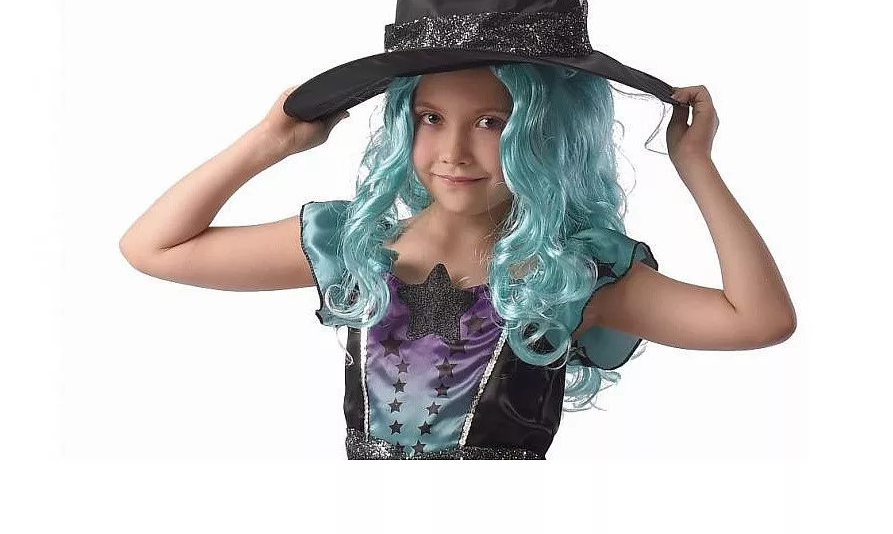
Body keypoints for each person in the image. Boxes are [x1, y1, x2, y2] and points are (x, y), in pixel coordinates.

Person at [118, 65, 796, 459]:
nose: (453, 152)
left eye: (492, 123)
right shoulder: (355, 247)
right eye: (431, 118)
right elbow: (153, 247)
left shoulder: (571, 279)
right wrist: (270, 141)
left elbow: (759, 320)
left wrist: (696, 165)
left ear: (546, 134)